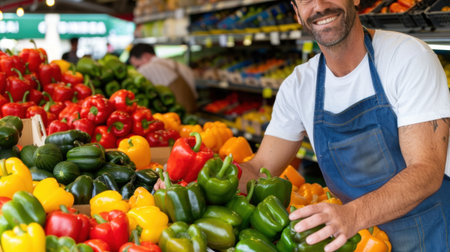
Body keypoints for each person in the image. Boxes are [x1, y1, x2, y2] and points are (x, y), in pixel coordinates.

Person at [155, 0, 450, 250]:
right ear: (297, 12)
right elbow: (259, 169)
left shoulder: (407, 57)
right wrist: (191, 182)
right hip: (358, 240)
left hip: (426, 231)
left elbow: (426, 171)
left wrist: (351, 215)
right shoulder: (299, 85)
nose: (319, 6)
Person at [128, 43, 198, 113]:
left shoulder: (146, 68)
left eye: (137, 66)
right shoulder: (181, 65)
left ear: (146, 56)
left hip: (174, 116)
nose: (137, 69)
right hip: (193, 110)